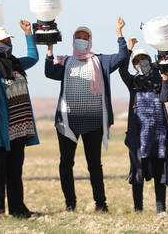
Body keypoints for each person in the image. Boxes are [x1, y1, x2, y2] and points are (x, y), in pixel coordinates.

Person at [45, 18, 128, 212]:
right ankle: (70, 204)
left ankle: (101, 204)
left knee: (94, 165)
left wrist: (119, 33)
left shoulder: (101, 60)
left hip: (94, 122)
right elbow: (49, 72)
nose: (81, 40)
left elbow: (122, 56)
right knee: (66, 163)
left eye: (85, 37)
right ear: (72, 40)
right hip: (67, 122)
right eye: (78, 37)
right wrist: (49, 50)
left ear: (90, 41)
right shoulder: (64, 61)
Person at [0, 22, 40, 218]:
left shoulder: (16, 63)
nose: (7, 44)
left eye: (8, 41)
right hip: (0, 128)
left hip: (19, 128)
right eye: (3, 41)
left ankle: (18, 209)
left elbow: (33, 57)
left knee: (15, 171)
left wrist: (28, 34)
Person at [119, 37, 168, 216]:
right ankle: (138, 209)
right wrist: (128, 49)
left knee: (160, 173)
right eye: (137, 61)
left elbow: (165, 98)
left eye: (143, 59)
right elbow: (122, 70)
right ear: (134, 65)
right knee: (138, 173)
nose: (141, 63)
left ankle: (161, 209)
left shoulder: (158, 78)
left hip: (158, 135)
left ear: (149, 61)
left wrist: (165, 78)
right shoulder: (133, 83)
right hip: (139, 137)